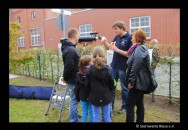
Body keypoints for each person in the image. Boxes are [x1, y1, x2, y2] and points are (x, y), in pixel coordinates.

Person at [101, 20, 132, 114]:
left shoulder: (129, 37)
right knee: (111, 86)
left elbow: (129, 54)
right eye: (114, 29)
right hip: (114, 67)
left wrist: (117, 50)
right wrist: (105, 42)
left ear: (122, 28)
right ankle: (111, 105)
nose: (114, 31)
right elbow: (110, 47)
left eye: (116, 29)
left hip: (123, 68)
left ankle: (124, 107)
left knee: (124, 88)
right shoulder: (117, 37)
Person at [126, 29, 150, 122]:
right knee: (139, 104)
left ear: (137, 38)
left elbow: (136, 65)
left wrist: (131, 80)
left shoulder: (140, 48)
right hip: (140, 81)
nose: (131, 39)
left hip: (137, 82)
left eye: (133, 37)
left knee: (129, 105)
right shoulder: (139, 48)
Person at [85, 46, 115, 122]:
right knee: (106, 116)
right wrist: (111, 92)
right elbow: (112, 84)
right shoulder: (108, 69)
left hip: (94, 96)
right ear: (104, 56)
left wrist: (88, 94)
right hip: (106, 96)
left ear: (93, 56)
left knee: (96, 117)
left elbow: (87, 85)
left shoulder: (89, 70)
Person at [61, 28, 81, 122]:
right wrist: (65, 78)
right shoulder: (70, 50)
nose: (79, 37)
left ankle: (75, 116)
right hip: (73, 79)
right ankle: (73, 120)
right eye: (78, 35)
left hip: (73, 78)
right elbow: (68, 66)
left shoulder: (70, 48)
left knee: (74, 99)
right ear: (75, 35)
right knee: (74, 100)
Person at [75, 55, 93, 122]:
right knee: (91, 112)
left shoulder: (78, 74)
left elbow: (77, 88)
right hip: (91, 96)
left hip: (82, 96)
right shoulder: (92, 72)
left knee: (84, 112)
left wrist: (77, 97)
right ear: (89, 63)